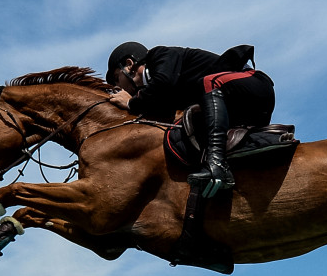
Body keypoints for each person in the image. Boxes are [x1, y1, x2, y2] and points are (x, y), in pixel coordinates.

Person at [106, 42, 274, 199]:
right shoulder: (163, 87)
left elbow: (163, 83)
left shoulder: (160, 55)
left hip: (254, 86)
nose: (119, 87)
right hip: (237, 107)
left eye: (116, 77)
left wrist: (130, 102)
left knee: (209, 82)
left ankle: (217, 166)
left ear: (129, 64)